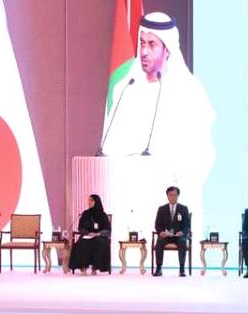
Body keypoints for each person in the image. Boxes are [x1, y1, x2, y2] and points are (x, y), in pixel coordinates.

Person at [101, 12, 215, 263]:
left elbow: (204, 152)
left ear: (167, 49)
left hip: (175, 190)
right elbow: (110, 146)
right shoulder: (125, 89)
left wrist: (177, 174)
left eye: (152, 44)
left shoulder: (190, 91)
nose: (144, 51)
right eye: (141, 43)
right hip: (132, 192)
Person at [68, 194, 111, 275]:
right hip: (87, 236)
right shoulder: (85, 213)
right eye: (89, 200)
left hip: (99, 236)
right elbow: (80, 228)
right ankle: (83, 268)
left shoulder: (103, 215)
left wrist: (98, 233)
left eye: (91, 200)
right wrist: (88, 233)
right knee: (83, 243)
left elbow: (108, 230)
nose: (89, 202)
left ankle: (95, 268)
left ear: (96, 202)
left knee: (99, 243)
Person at [153, 186, 190, 277]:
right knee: (159, 241)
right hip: (166, 236)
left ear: (178, 196)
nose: (172, 197)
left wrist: (182, 232)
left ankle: (182, 269)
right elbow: (157, 225)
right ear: (167, 196)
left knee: (182, 241)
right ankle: (158, 268)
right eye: (170, 195)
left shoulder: (184, 208)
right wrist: (161, 232)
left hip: (178, 236)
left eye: (174, 195)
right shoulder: (161, 209)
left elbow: (187, 226)